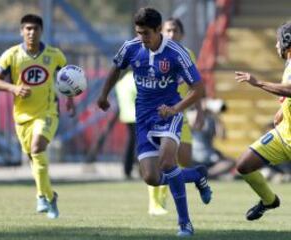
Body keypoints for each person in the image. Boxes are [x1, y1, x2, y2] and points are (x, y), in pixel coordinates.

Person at [97, 7, 212, 236]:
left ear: (159, 30)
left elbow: (198, 89)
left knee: (168, 163)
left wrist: (175, 109)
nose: (142, 38)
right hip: (143, 118)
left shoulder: (176, 53)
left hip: (169, 113)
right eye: (138, 32)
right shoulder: (131, 47)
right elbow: (115, 69)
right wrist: (103, 95)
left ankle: (185, 224)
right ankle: (197, 174)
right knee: (152, 178)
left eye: (146, 33)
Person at [0, 14, 75, 219]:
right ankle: (49, 195)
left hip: (47, 112)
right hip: (22, 116)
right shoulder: (11, 55)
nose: (31, 32)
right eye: (27, 29)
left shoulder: (55, 55)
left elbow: (69, 78)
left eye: (35, 29)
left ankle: (40, 196)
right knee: (34, 158)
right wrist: (14, 88)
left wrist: (70, 98)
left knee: (38, 148)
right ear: (21, 31)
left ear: (41, 31)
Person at [147, 17, 206, 216]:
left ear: (181, 34)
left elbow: (194, 85)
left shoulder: (187, 54)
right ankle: (156, 202)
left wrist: (199, 110)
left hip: (180, 115)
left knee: (184, 159)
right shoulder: (152, 52)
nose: (171, 34)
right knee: (159, 159)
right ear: (161, 32)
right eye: (168, 30)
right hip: (157, 115)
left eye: (175, 31)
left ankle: (196, 175)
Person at [234, 21, 291, 221]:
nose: (276, 46)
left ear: (286, 41)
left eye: (278, 42)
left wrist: (258, 82)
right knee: (243, 165)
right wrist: (282, 111)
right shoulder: (289, 64)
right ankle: (269, 200)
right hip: (284, 135)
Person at [191, 98, 236, 180]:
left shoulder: (212, 119)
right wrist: (201, 110)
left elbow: (222, 137)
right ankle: (207, 175)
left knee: (231, 162)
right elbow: (194, 126)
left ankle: (207, 175)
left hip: (209, 156)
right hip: (193, 155)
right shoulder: (192, 114)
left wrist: (217, 117)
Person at [115, 71, 137, 179]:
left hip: (125, 115)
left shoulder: (121, 82)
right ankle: (140, 168)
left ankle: (127, 169)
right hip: (136, 116)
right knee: (139, 144)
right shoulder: (134, 79)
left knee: (131, 144)